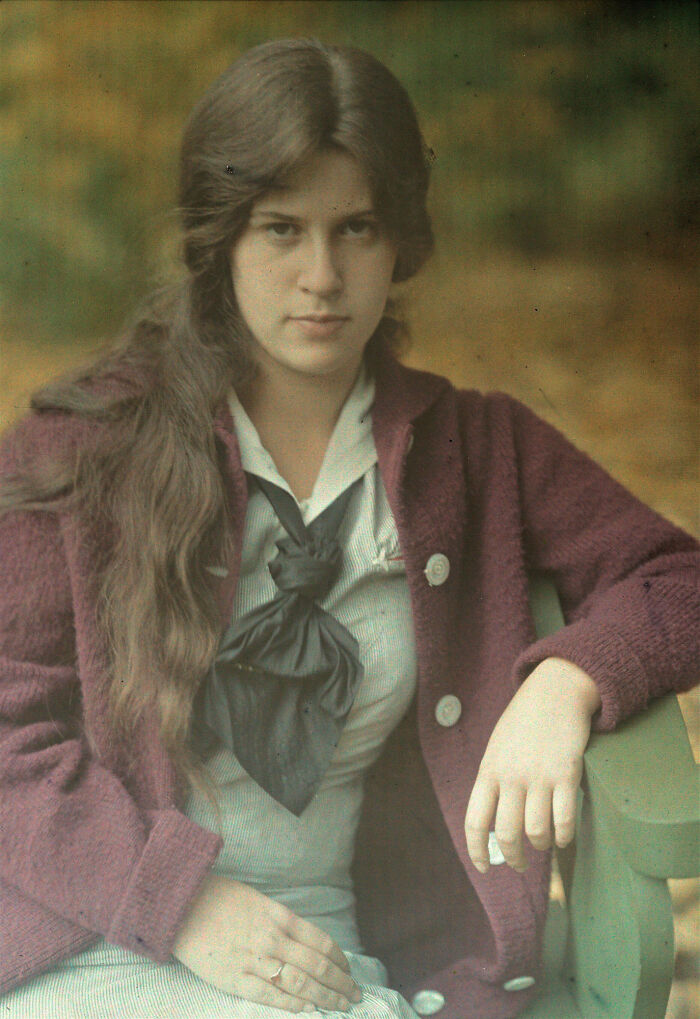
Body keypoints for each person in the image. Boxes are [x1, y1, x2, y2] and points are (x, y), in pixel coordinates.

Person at [0, 37, 697, 1019]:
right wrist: (182, 902)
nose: (320, 275)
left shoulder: (476, 447)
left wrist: (570, 676)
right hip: (95, 937)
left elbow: (677, 576)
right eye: (281, 230)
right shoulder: (82, 446)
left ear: (398, 242)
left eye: (355, 229)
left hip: (332, 956)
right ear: (221, 242)